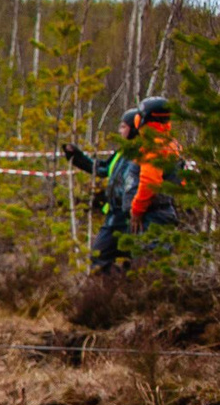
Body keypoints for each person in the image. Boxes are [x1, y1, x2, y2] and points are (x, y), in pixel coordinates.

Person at [65, 98, 182, 274]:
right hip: (126, 214)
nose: (120, 131)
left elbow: (150, 182)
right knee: (105, 260)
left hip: (141, 214)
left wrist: (136, 210)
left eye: (123, 126)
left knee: (147, 267)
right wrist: (77, 157)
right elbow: (103, 169)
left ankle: (128, 285)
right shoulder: (127, 151)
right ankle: (119, 286)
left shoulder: (152, 148)